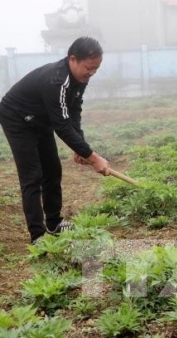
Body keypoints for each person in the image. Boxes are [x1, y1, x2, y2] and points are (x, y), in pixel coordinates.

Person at [0, 36, 110, 245]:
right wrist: (93, 157)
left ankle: (54, 223)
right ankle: (38, 235)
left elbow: (74, 111)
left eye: (96, 69)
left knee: (52, 169)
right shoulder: (57, 80)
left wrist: (81, 146)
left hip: (40, 119)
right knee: (32, 175)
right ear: (73, 59)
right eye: (89, 67)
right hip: (17, 118)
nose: (91, 73)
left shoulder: (79, 79)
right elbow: (61, 126)